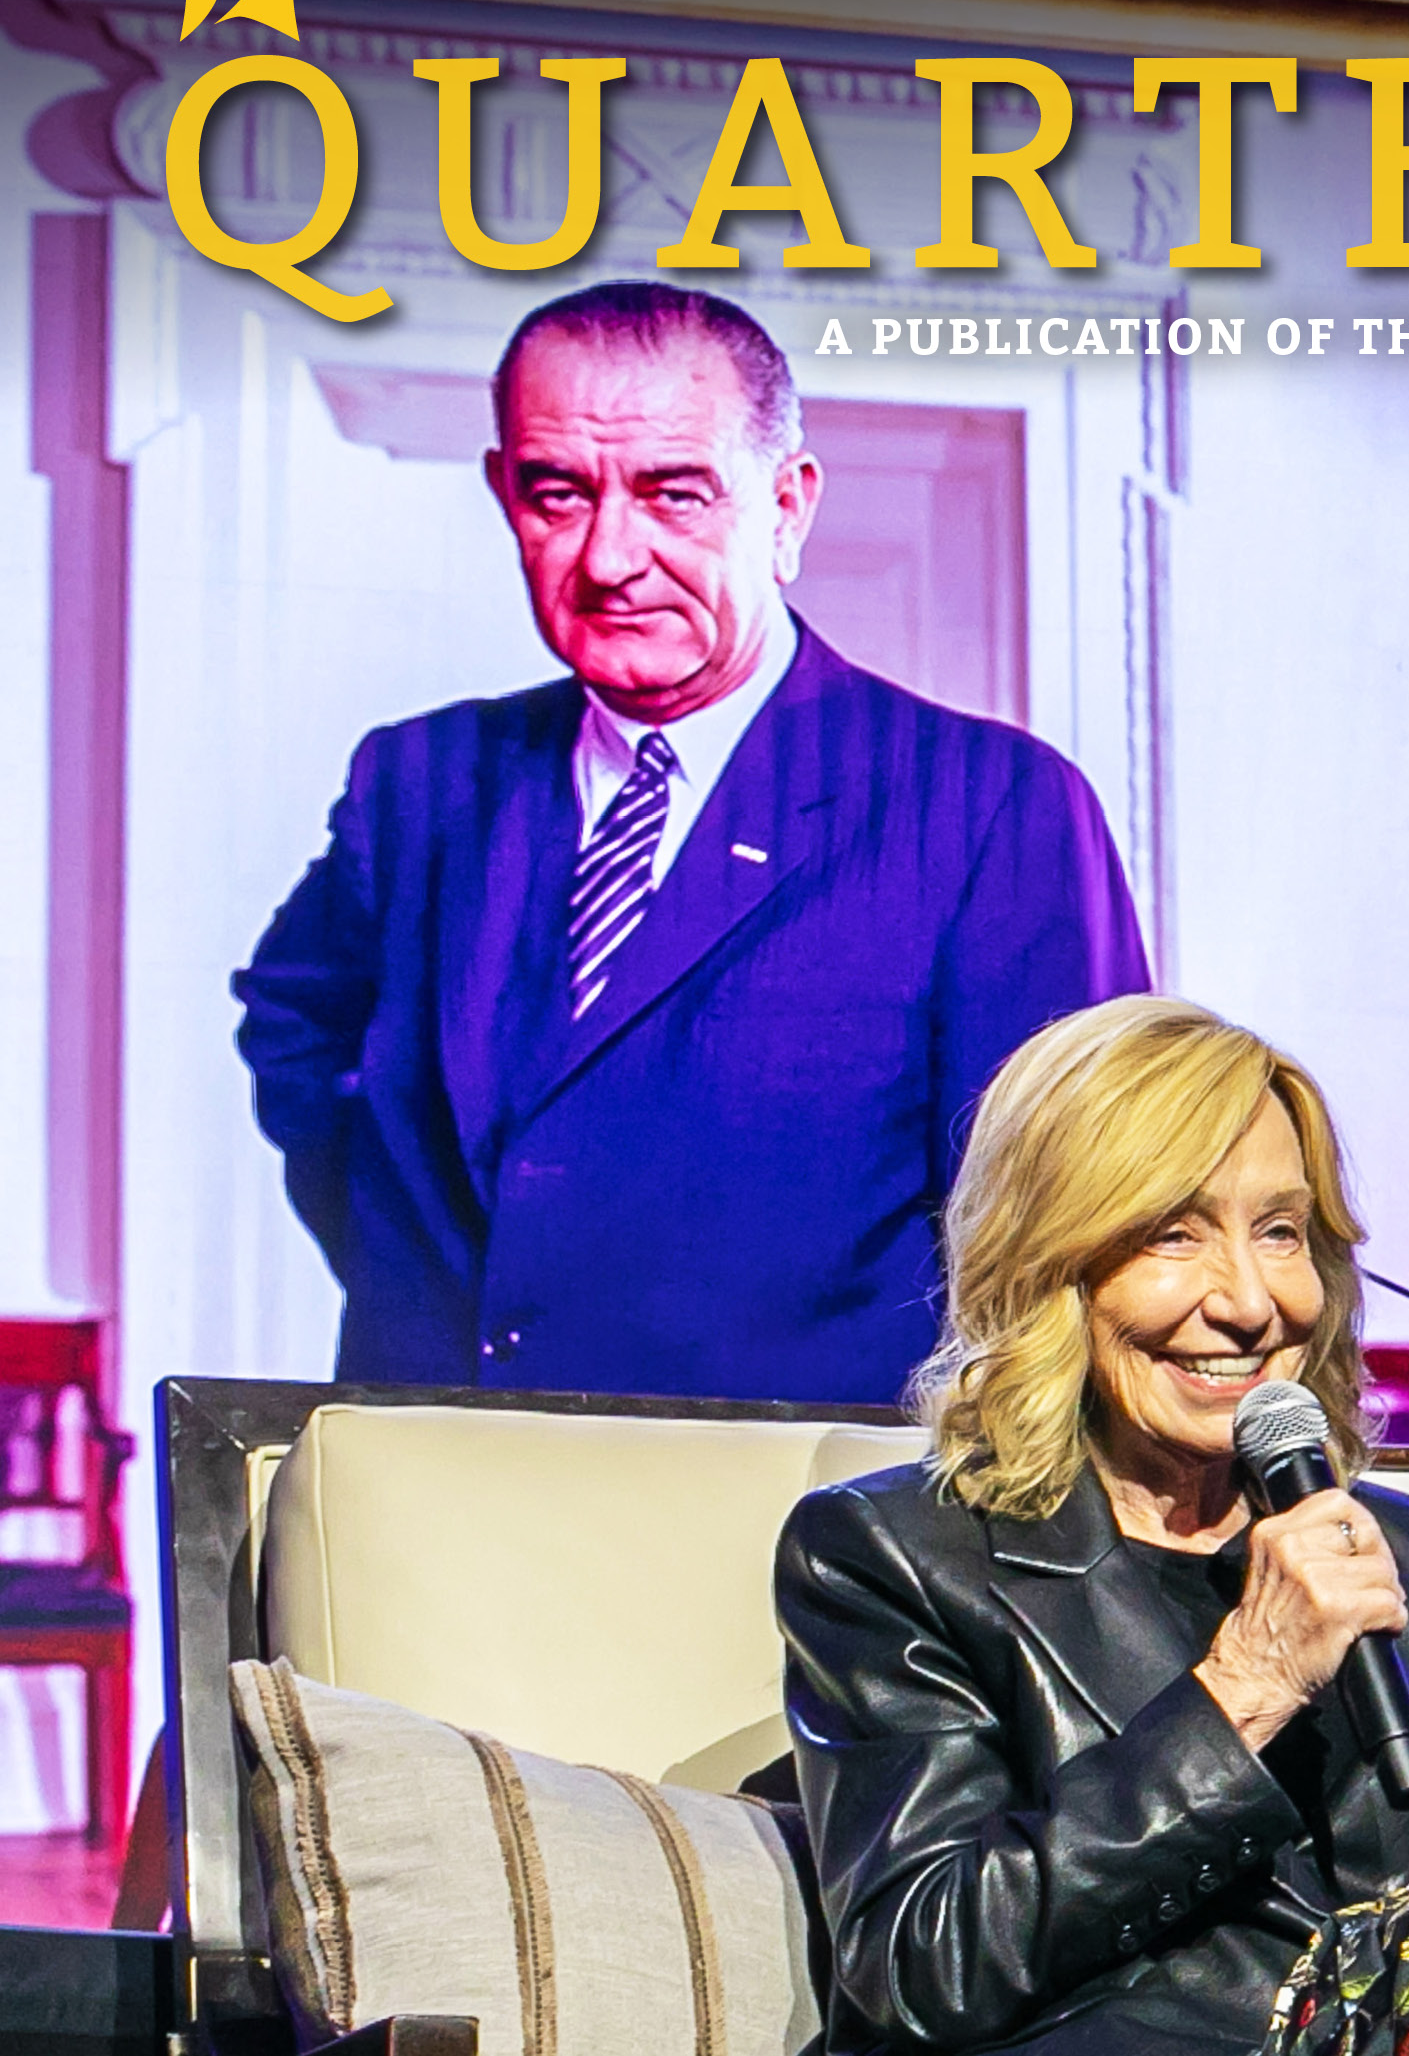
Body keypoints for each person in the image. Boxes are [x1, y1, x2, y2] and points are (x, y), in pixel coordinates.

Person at [234, 282, 1146, 1404]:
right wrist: (420, 1268)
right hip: (439, 1482)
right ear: (503, 497)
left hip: (803, 1524)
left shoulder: (990, 808)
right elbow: (294, 1035)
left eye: (673, 494)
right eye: (558, 494)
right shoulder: (417, 783)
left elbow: (1070, 1230)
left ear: (788, 507)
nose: (610, 557)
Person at [775, 996, 1409, 2055]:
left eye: (1281, 1233)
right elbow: (922, 1962)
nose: (1252, 1303)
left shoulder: (1394, 1549)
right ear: (1047, 1263)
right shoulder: (892, 1555)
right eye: (1175, 1234)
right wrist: (1249, 1685)